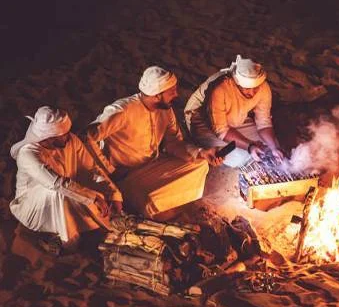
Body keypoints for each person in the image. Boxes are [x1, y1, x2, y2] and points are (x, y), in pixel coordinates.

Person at [86, 66, 221, 220]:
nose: (176, 94)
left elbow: (174, 142)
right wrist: (106, 168)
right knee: (147, 199)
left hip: (153, 164)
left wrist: (201, 152)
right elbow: (87, 136)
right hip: (126, 175)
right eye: (172, 92)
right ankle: (149, 206)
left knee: (200, 164)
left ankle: (160, 204)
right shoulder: (122, 110)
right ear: (157, 95)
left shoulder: (165, 109)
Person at [10, 106, 123, 251]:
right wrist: (94, 198)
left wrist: (114, 194)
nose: (68, 136)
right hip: (33, 207)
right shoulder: (28, 154)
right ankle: (68, 243)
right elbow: (57, 184)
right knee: (60, 192)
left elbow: (91, 169)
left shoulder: (70, 140)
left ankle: (104, 227)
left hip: (69, 193)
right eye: (62, 134)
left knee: (88, 196)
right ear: (49, 137)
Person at [184, 55, 284, 167]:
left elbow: (264, 123)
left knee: (269, 145)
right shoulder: (220, 88)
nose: (251, 93)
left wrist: (274, 147)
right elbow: (221, 130)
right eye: (246, 88)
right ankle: (198, 140)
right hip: (203, 121)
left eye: (255, 88)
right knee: (239, 158)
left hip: (235, 117)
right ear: (236, 82)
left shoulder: (263, 87)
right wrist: (249, 146)